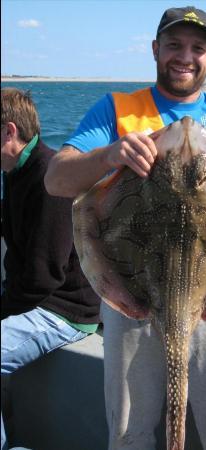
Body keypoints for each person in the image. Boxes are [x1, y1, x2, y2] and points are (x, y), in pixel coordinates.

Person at [44, 6, 206, 450]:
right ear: (155, 50)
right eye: (174, 45)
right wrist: (110, 155)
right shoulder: (116, 109)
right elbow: (57, 179)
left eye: (197, 48)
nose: (185, 56)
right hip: (135, 296)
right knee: (130, 431)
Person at [1, 87, 101, 450]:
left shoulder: (47, 178)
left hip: (65, 308)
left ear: (9, 132)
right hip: (37, 295)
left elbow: (44, 275)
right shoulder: (17, 170)